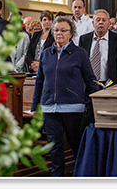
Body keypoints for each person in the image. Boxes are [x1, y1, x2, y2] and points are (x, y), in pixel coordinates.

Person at [31, 16, 99, 177]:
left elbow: (90, 79)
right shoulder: (46, 54)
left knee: (76, 144)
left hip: (73, 108)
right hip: (49, 108)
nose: (59, 33)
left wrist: (95, 104)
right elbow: (40, 81)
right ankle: (58, 178)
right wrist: (35, 107)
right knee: (55, 147)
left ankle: (80, 176)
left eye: (63, 30)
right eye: (56, 30)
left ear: (71, 33)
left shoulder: (79, 53)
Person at [78, 9, 117, 84]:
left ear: (109, 23)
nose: (101, 22)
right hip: (88, 84)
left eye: (104, 20)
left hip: (110, 84)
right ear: (93, 23)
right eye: (98, 20)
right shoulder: (84, 39)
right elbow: (80, 62)